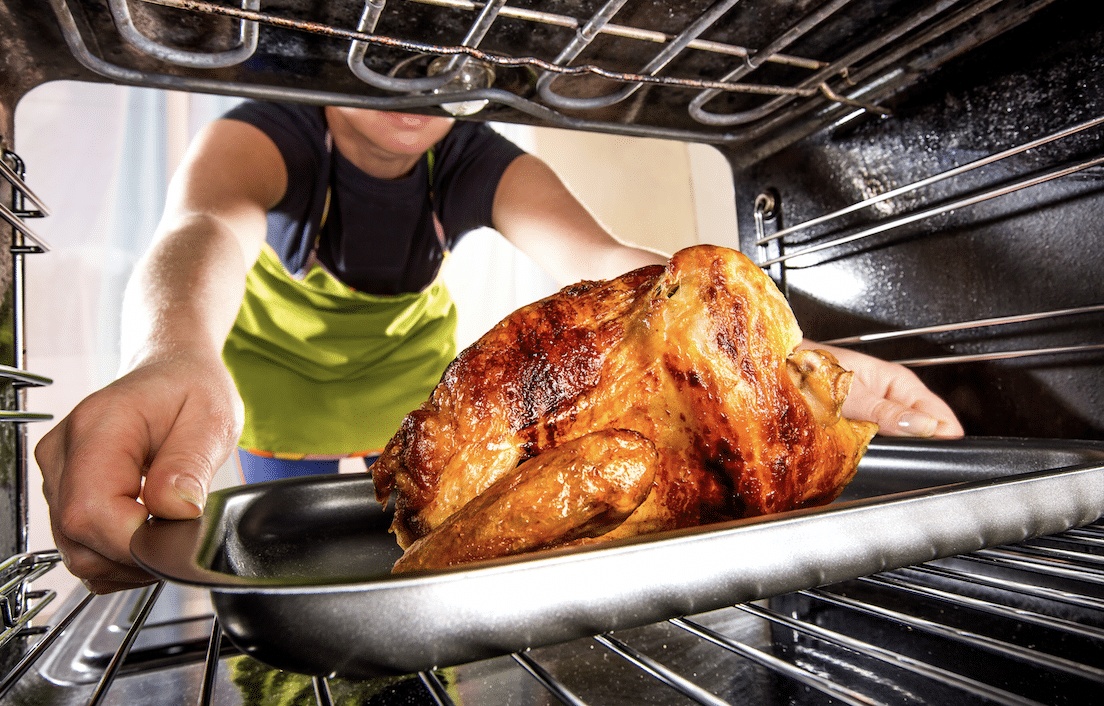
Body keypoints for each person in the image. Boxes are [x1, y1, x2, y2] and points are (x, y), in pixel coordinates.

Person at [34, 100, 963, 594]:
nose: (415, 89)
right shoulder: (273, 132)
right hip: (275, 417)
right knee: (296, 581)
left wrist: (779, 367)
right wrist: (168, 353)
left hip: (414, 411)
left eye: (439, 55)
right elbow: (198, 227)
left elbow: (607, 263)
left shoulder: (469, 155)